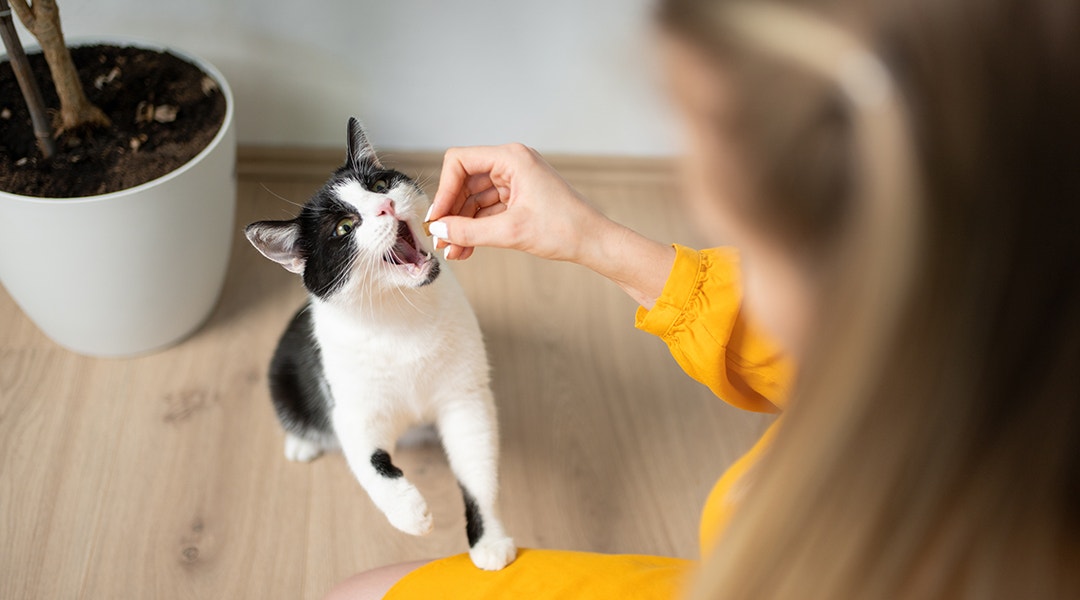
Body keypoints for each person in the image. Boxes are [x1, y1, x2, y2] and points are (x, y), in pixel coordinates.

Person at [328, 0, 1080, 597]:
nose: (736, 265)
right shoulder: (991, 319)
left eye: (740, 235)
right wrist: (592, 238)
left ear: (862, 273)